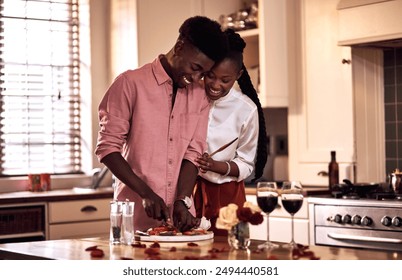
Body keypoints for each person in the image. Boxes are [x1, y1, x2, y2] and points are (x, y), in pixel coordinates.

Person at [95, 16, 228, 232]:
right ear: (179, 47)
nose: (196, 78)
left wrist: (182, 201)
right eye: (194, 67)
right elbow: (107, 148)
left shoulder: (199, 96)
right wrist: (146, 193)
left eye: (203, 73)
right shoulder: (130, 84)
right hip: (134, 220)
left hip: (181, 223)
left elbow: (193, 153)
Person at [194, 28, 268, 235]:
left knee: (228, 256)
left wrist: (215, 166)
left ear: (238, 75)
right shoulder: (189, 96)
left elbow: (246, 164)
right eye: (210, 76)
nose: (215, 85)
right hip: (188, 191)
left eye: (225, 80)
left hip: (228, 196)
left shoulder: (246, 109)